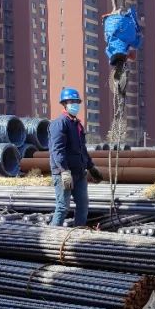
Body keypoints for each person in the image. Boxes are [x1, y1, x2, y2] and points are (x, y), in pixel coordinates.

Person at [48, 87, 102, 227]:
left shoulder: (77, 125)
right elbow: (57, 150)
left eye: (77, 102)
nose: (75, 104)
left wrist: (91, 167)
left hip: (79, 173)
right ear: (64, 104)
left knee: (83, 205)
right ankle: (52, 234)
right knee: (62, 207)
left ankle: (78, 232)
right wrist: (64, 171)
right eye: (71, 102)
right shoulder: (59, 123)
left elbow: (82, 149)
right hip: (64, 173)